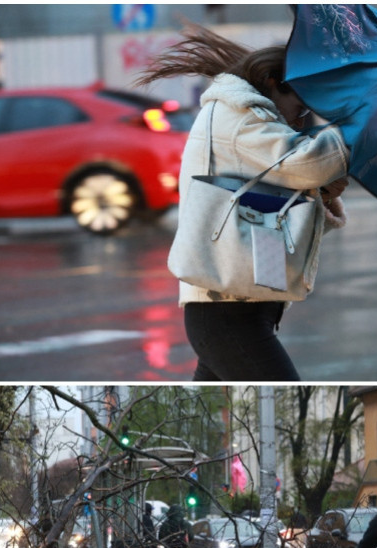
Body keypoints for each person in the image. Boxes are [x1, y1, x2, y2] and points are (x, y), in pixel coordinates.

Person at [137, 25, 350, 381]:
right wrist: (355, 131)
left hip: (232, 307)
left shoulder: (245, 116)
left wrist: (323, 194)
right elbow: (305, 164)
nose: (297, 122)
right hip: (227, 312)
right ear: (270, 82)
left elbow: (273, 199)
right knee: (283, 387)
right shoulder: (240, 115)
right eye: (298, 109)